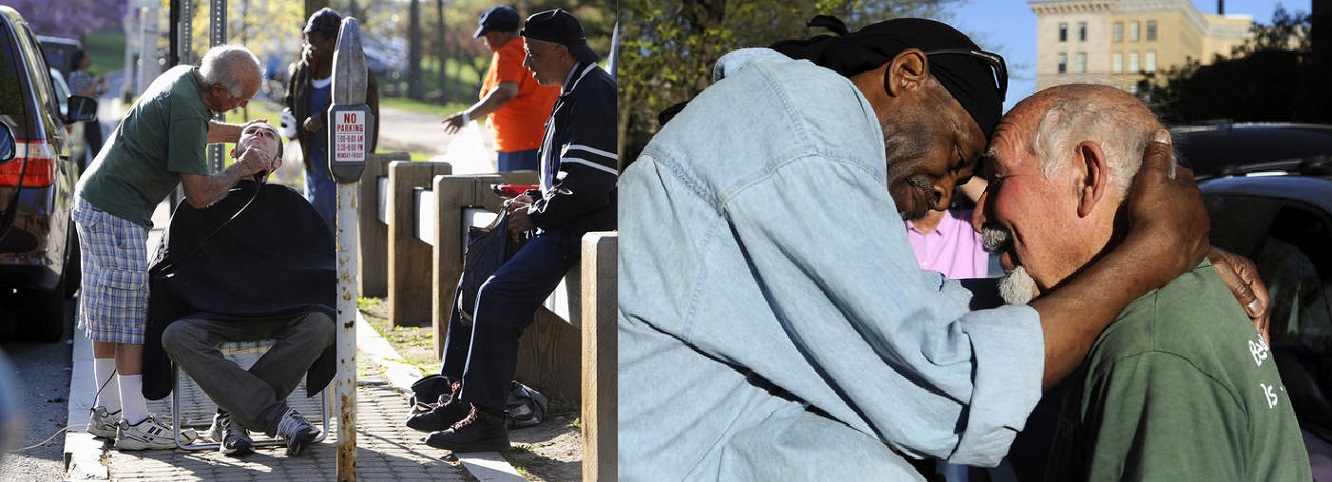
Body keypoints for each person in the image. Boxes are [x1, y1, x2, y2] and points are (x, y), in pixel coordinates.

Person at [615, 17, 1265, 480]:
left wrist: (1141, 248)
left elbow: (932, 317)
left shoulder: (791, 126)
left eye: (974, 175)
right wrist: (1150, 253)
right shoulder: (803, 129)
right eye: (956, 157)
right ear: (907, 73)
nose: (945, 197)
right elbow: (946, 381)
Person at [975, 83, 1310, 480]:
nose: (979, 214)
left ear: (1087, 177)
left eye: (997, 179)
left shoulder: (1148, 346)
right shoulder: (1151, 316)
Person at [406, 9, 616, 452]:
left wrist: (537, 213)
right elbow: (568, 179)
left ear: (562, 52)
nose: (528, 63)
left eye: (534, 54)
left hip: (581, 232)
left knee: (496, 296)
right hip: (562, 221)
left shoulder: (594, 92)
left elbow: (590, 187)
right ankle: (460, 392)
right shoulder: (574, 88)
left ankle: (487, 419)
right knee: (476, 277)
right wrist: (534, 198)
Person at [74, 44, 271, 451]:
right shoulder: (186, 107)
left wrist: (244, 134)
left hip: (96, 200)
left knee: (107, 311)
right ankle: (134, 422)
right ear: (218, 91)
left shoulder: (186, 78)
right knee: (129, 316)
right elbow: (198, 195)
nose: (244, 105)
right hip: (116, 211)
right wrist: (242, 167)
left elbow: (196, 128)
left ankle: (107, 411)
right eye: (241, 98)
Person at [151, 122, 335, 457]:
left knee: (322, 324)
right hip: (216, 313)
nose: (259, 136)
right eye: (251, 132)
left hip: (281, 311)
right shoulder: (201, 201)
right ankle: (275, 415)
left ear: (276, 162)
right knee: (176, 335)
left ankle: (231, 417)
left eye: (268, 136)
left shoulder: (292, 205)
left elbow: (320, 265)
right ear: (234, 152)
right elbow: (168, 264)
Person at [283, 7, 380, 229]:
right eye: (306, 42)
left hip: (341, 163)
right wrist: (290, 120)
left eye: (314, 42)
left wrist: (323, 119)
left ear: (332, 42)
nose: (309, 48)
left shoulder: (357, 74)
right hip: (313, 162)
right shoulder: (302, 71)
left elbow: (362, 116)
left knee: (337, 224)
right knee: (314, 220)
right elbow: (291, 101)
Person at [441, 6, 559, 172]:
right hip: (544, 137)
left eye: (488, 36)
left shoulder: (508, 52)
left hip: (519, 144)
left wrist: (467, 116)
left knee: (518, 194)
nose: (486, 42)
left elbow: (505, 92)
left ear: (502, 33)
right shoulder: (533, 48)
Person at [66, 48, 108, 167]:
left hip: (86, 115)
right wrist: (96, 84)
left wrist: (99, 84)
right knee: (94, 148)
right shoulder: (78, 74)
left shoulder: (82, 74)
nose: (88, 60)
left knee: (85, 149)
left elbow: (96, 92)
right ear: (79, 61)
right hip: (86, 115)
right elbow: (82, 93)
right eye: (85, 58)